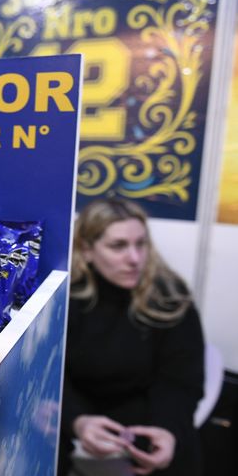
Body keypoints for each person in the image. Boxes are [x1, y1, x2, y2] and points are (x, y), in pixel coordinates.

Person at [60, 198, 204, 476]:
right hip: (79, 410)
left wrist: (168, 430)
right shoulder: (66, 297)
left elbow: (180, 380)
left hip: (147, 413)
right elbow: (50, 374)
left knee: (179, 452)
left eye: (141, 244)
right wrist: (76, 420)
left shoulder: (169, 297)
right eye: (118, 246)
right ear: (87, 250)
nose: (135, 258)